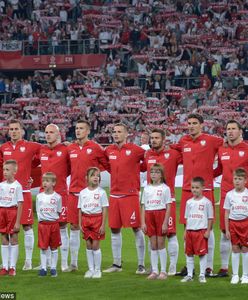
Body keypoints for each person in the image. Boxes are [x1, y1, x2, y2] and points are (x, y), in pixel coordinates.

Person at [172, 113, 223, 276]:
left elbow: (227, 150)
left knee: (207, 227)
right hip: (187, 190)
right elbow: (172, 151)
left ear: (202, 125)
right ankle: (190, 266)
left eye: (195, 123)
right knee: (188, 228)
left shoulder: (212, 140)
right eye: (189, 123)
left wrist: (213, 173)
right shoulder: (183, 141)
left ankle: (207, 267)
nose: (191, 125)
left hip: (206, 190)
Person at [103, 123, 146, 274]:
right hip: (114, 194)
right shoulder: (109, 150)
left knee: (136, 228)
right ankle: (116, 264)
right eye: (114, 132)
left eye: (119, 132)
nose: (116, 134)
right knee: (114, 229)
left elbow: (147, 161)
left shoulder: (135, 150)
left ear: (127, 134)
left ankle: (141, 265)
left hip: (130, 195)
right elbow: (106, 165)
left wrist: (138, 171)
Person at [67, 120, 109, 271]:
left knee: (93, 229)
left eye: (81, 128)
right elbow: (66, 168)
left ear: (88, 131)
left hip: (89, 194)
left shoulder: (96, 147)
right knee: (74, 226)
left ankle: (94, 266)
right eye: (77, 128)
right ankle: (74, 263)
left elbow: (107, 165)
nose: (78, 131)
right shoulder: (70, 148)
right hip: (73, 192)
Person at [0, 119, 41, 270]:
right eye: (11, 129)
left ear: (22, 131)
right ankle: (8, 263)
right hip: (6, 195)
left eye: (16, 129)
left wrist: (31, 173)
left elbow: (43, 155)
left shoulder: (31, 146)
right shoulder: (4, 148)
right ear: (8, 131)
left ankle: (28, 261)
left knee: (27, 226)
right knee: (6, 230)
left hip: (23, 192)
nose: (14, 131)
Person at [142, 128, 181, 275]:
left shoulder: (173, 154)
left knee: (170, 234)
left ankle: (171, 266)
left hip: (166, 200)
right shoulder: (148, 154)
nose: (153, 140)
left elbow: (189, 157)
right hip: (151, 202)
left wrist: (175, 146)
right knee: (152, 236)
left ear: (163, 139)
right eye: (152, 138)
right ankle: (154, 268)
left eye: (157, 138)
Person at [214, 120, 248, 277]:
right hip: (226, 194)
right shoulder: (222, 150)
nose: (230, 131)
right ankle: (224, 267)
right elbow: (218, 170)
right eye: (228, 129)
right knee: (224, 231)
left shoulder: (247, 149)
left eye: (234, 128)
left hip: (245, 196)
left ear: (240, 131)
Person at [37, 124, 70, 271]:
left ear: (58, 134)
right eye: (46, 132)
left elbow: (72, 167)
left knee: (61, 227)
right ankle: (46, 263)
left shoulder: (65, 149)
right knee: (44, 227)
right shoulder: (41, 150)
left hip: (61, 193)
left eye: (51, 132)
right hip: (43, 194)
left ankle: (63, 263)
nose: (48, 135)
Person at [141, 163, 171, 280]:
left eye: (157, 172)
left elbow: (168, 206)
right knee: (153, 245)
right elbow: (143, 206)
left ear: (162, 175)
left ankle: (163, 271)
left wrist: (165, 222)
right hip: (149, 215)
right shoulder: (147, 188)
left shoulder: (165, 188)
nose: (154, 174)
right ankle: (154, 270)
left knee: (161, 243)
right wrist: (143, 222)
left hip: (160, 214)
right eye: (152, 172)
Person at [181, 177, 214, 283]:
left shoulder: (207, 202)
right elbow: (187, 218)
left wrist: (208, 231)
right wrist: (185, 231)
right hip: (190, 231)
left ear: (203, 188)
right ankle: (189, 275)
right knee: (189, 254)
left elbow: (210, 218)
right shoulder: (189, 202)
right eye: (192, 187)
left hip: (201, 231)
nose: (194, 190)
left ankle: (202, 275)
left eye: (197, 188)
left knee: (202, 254)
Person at [78, 167, 109, 279]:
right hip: (86, 219)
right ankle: (90, 269)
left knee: (95, 245)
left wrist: (102, 225)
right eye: (93, 175)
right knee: (88, 244)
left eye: (98, 176)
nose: (96, 177)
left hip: (97, 219)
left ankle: (97, 270)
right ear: (87, 178)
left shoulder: (102, 192)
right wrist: (80, 223)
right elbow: (80, 209)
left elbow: (105, 208)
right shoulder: (82, 193)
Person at [224, 168, 248, 284]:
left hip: (246, 224)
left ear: (245, 181)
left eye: (240, 179)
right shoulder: (229, 195)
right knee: (234, 249)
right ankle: (235, 275)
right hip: (233, 224)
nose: (237, 181)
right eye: (235, 179)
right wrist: (227, 229)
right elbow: (227, 212)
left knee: (245, 249)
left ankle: (245, 275)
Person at [36, 172, 62, 277]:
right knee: (43, 247)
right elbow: (38, 210)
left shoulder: (57, 197)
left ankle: (53, 268)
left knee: (54, 247)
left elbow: (59, 211)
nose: (44, 183)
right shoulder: (39, 196)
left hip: (54, 225)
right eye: (43, 181)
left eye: (47, 181)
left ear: (53, 183)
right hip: (43, 225)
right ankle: (43, 268)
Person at [0, 160, 23, 276]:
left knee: (13, 238)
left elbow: (20, 204)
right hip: (2, 212)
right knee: (4, 239)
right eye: (4, 169)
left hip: (12, 212)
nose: (5, 172)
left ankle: (12, 267)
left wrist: (18, 222)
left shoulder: (17, 186)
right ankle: (4, 266)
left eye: (7, 170)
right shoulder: (1, 185)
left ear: (14, 171)